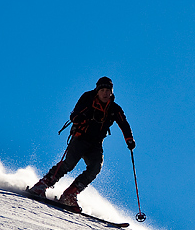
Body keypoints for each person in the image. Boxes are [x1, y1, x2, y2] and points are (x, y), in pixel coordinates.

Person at [27, 76, 135, 211]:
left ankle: (70, 194)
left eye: (108, 90)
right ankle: (42, 185)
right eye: (103, 90)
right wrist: (80, 117)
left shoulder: (114, 108)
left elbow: (123, 123)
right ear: (97, 90)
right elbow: (74, 114)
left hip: (96, 143)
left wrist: (129, 139)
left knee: (95, 167)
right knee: (69, 164)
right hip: (81, 137)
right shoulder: (88, 98)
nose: (106, 93)